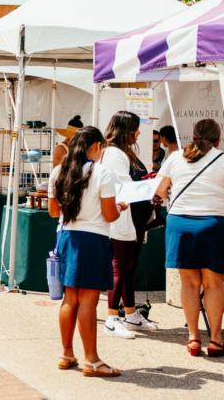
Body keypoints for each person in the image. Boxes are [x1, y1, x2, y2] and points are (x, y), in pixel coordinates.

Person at [155, 118, 224, 357]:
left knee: (189, 284)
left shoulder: (175, 157)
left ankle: (193, 338)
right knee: (213, 284)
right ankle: (216, 340)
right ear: (218, 140)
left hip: (179, 223)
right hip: (211, 224)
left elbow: (159, 190)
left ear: (193, 137)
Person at [48, 126, 124, 377]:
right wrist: (121, 207)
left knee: (70, 298)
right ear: (96, 146)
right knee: (88, 300)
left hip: (66, 236)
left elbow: (53, 212)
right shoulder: (102, 172)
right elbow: (111, 215)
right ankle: (91, 361)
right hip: (93, 239)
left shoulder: (59, 171)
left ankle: (66, 353)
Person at [99, 112, 158, 339]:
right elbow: (123, 188)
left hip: (133, 217)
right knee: (120, 266)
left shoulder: (124, 151)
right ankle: (112, 318)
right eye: (135, 128)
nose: (139, 132)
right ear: (125, 130)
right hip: (123, 216)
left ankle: (131, 314)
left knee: (130, 265)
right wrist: (151, 186)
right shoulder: (114, 153)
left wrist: (148, 183)